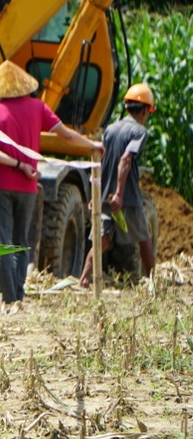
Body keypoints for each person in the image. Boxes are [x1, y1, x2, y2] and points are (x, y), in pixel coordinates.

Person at [0, 61, 103, 305]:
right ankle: (19, 295)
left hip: (0, 184)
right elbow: (66, 135)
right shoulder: (37, 108)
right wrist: (92, 145)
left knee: (1, 244)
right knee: (21, 242)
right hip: (27, 186)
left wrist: (15, 164)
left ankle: (10, 299)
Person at [79, 83, 156, 288]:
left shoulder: (111, 129)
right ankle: (154, 284)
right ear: (146, 110)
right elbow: (125, 159)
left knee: (102, 239)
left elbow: (101, 162)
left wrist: (96, 196)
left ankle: (84, 279)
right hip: (127, 197)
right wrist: (120, 194)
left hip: (105, 194)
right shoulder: (139, 131)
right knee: (144, 240)